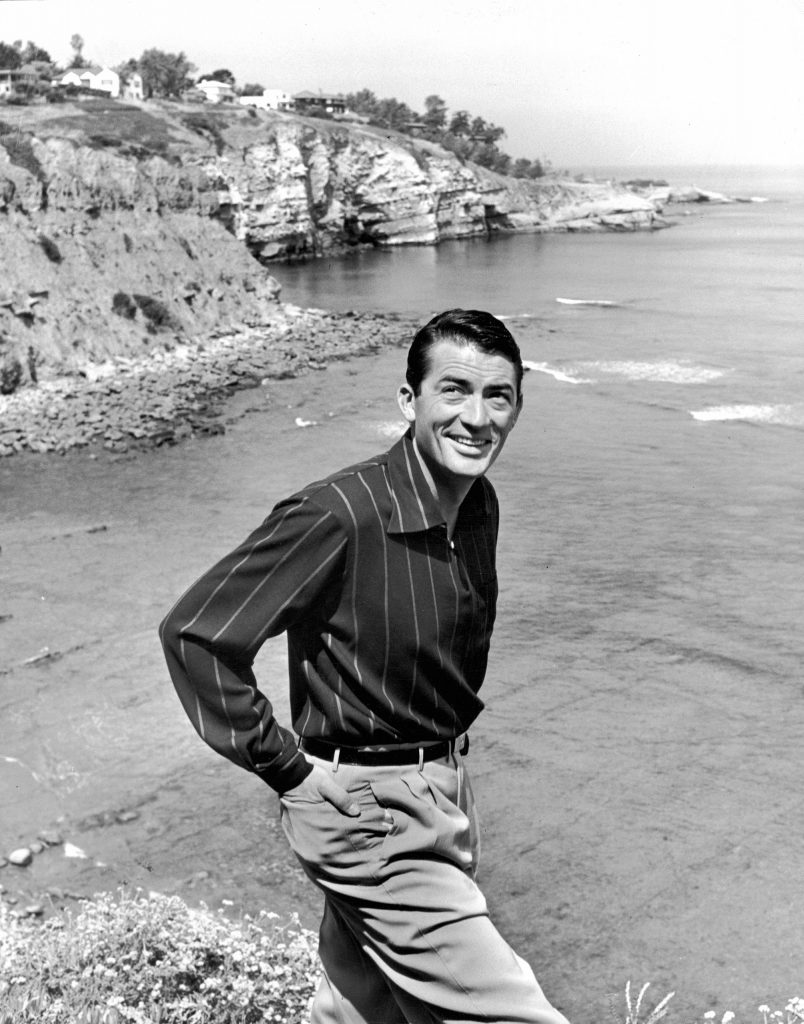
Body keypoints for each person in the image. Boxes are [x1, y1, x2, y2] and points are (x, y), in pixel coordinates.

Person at [159, 309, 570, 1024]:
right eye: (454, 391)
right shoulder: (336, 514)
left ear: (517, 409)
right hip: (367, 812)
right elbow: (197, 634)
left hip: (440, 791)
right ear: (409, 402)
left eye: (497, 396)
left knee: (359, 1007)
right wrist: (289, 772)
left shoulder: (478, 507)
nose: (476, 417)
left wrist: (443, 783)